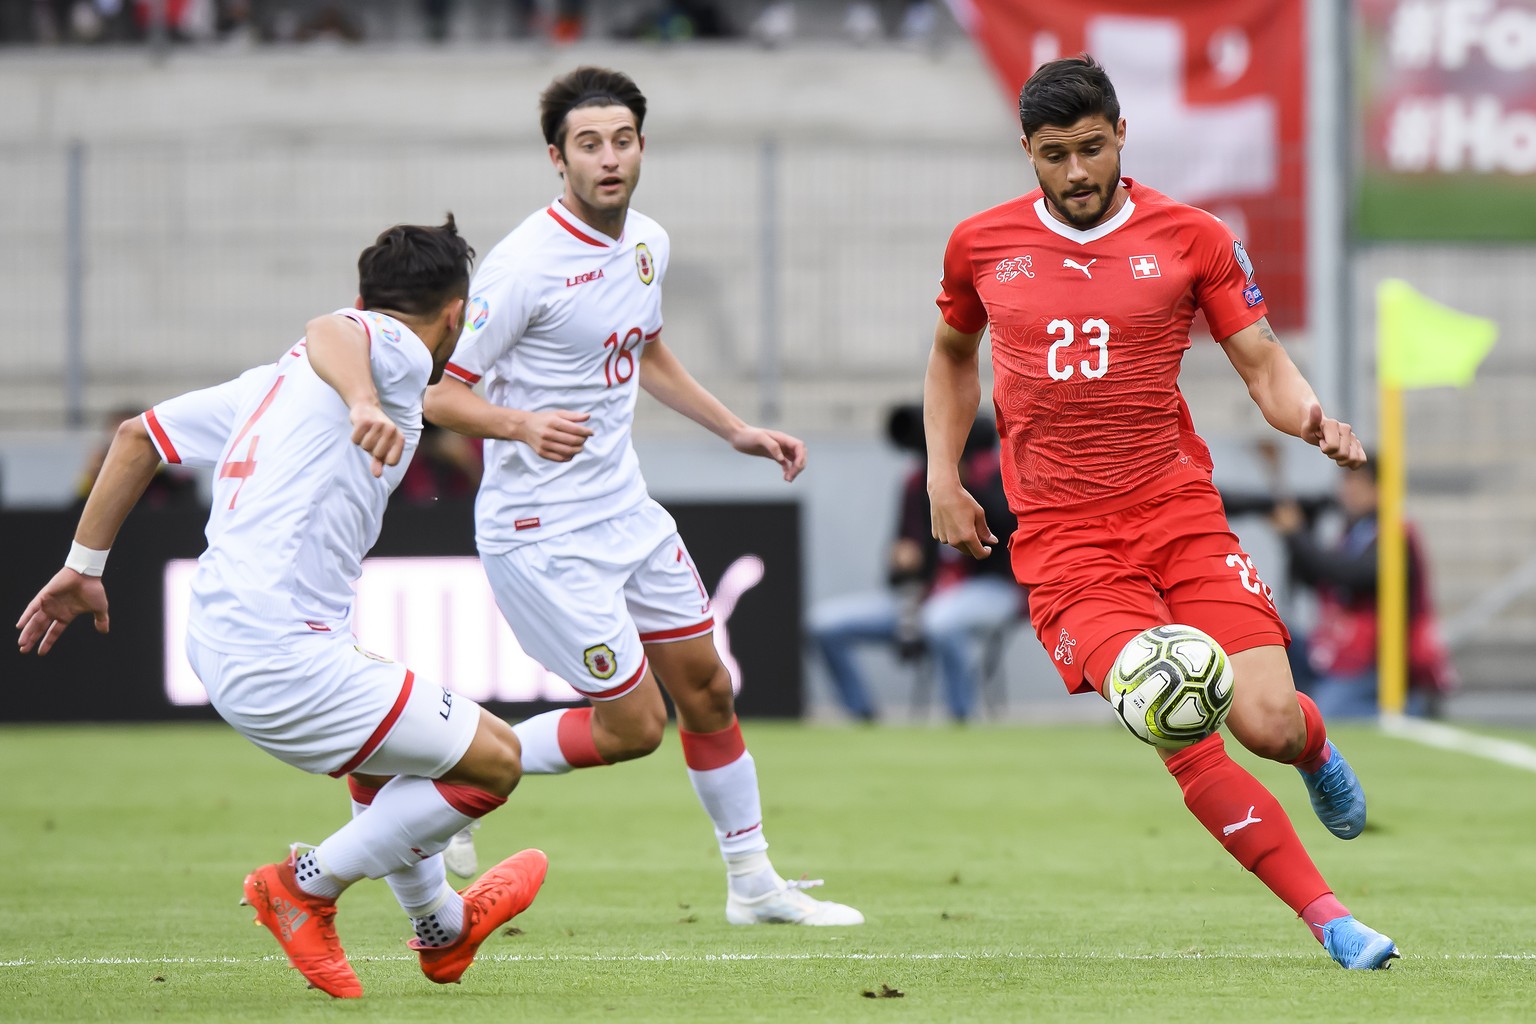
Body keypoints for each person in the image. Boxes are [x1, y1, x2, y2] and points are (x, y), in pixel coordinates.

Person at [924, 55, 1398, 970]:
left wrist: (1310, 420)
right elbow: (951, 355)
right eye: (1054, 155)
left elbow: (1260, 362)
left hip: (1177, 514)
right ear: (1027, 149)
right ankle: (1330, 918)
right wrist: (947, 476)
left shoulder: (1193, 237)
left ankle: (1315, 748)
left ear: (1121, 137)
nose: (1075, 173)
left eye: (1092, 149)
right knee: (1180, 724)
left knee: (1265, 721)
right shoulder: (980, 244)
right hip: (1066, 547)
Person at [16, 216, 548, 998]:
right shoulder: (390, 347)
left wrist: (82, 566)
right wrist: (366, 398)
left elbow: (135, 437)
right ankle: (307, 886)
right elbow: (334, 329)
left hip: (228, 638)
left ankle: (441, 923)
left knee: (381, 762)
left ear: (365, 289)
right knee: (495, 762)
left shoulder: (268, 383)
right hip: (279, 650)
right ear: (454, 318)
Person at [423, 66, 861, 926]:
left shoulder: (647, 242)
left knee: (710, 689)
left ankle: (753, 884)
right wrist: (517, 425)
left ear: (642, 147)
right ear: (558, 159)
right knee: (634, 728)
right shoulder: (521, 266)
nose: (609, 158)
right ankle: (449, 761)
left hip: (624, 510)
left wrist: (733, 428)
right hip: (540, 530)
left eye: (622, 140)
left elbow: (648, 351)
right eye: (589, 144)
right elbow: (439, 393)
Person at [808, 403, 1022, 722]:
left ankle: (961, 719)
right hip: (922, 597)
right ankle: (861, 714)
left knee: (942, 621)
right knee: (823, 624)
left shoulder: (993, 473)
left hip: (991, 587)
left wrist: (965, 482)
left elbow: (1008, 531)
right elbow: (900, 561)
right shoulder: (916, 484)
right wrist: (901, 561)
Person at [1272, 455, 1456, 720]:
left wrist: (1296, 534)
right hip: (1337, 652)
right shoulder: (1354, 532)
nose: (1346, 491)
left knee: (1325, 714)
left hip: (1377, 662)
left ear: (1379, 488)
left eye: (1356, 482)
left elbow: (1351, 574)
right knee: (1277, 639)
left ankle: (1411, 710)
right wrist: (1299, 532)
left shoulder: (1396, 534)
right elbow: (1316, 578)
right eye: (1345, 482)